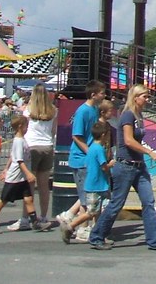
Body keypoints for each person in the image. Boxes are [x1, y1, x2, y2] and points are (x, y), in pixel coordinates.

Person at [88, 84, 156, 251]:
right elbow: (128, 140)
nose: (147, 99)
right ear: (136, 98)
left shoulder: (138, 116)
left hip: (139, 166)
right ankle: (97, 235)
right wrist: (149, 152)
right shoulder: (127, 116)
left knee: (148, 202)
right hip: (125, 166)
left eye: (148, 96)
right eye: (145, 96)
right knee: (116, 203)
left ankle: (155, 240)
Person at [58, 80, 108, 238]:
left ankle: (72, 218)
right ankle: (80, 228)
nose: (104, 95)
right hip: (81, 159)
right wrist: (89, 152)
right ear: (93, 94)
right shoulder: (83, 111)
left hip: (88, 159)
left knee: (89, 195)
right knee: (86, 197)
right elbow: (76, 135)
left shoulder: (94, 109)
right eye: (102, 93)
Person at [0, 114, 48, 232]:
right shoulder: (18, 141)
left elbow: (12, 156)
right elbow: (19, 160)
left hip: (22, 177)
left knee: (28, 198)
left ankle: (35, 222)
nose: (27, 128)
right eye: (26, 126)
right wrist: (28, 173)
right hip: (15, 177)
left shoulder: (22, 140)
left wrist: (7, 168)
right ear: (20, 126)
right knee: (4, 199)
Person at [60, 120, 113, 243]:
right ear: (104, 135)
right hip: (97, 185)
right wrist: (111, 164)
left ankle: (98, 235)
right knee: (92, 212)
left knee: (98, 212)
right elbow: (103, 167)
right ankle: (70, 226)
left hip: (94, 184)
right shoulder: (99, 149)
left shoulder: (90, 149)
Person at [23, 83, 57, 229]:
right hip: (47, 146)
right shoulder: (53, 111)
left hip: (32, 146)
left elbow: (24, 129)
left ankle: (27, 217)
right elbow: (53, 131)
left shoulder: (28, 110)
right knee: (44, 186)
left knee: (29, 185)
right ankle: (43, 216)